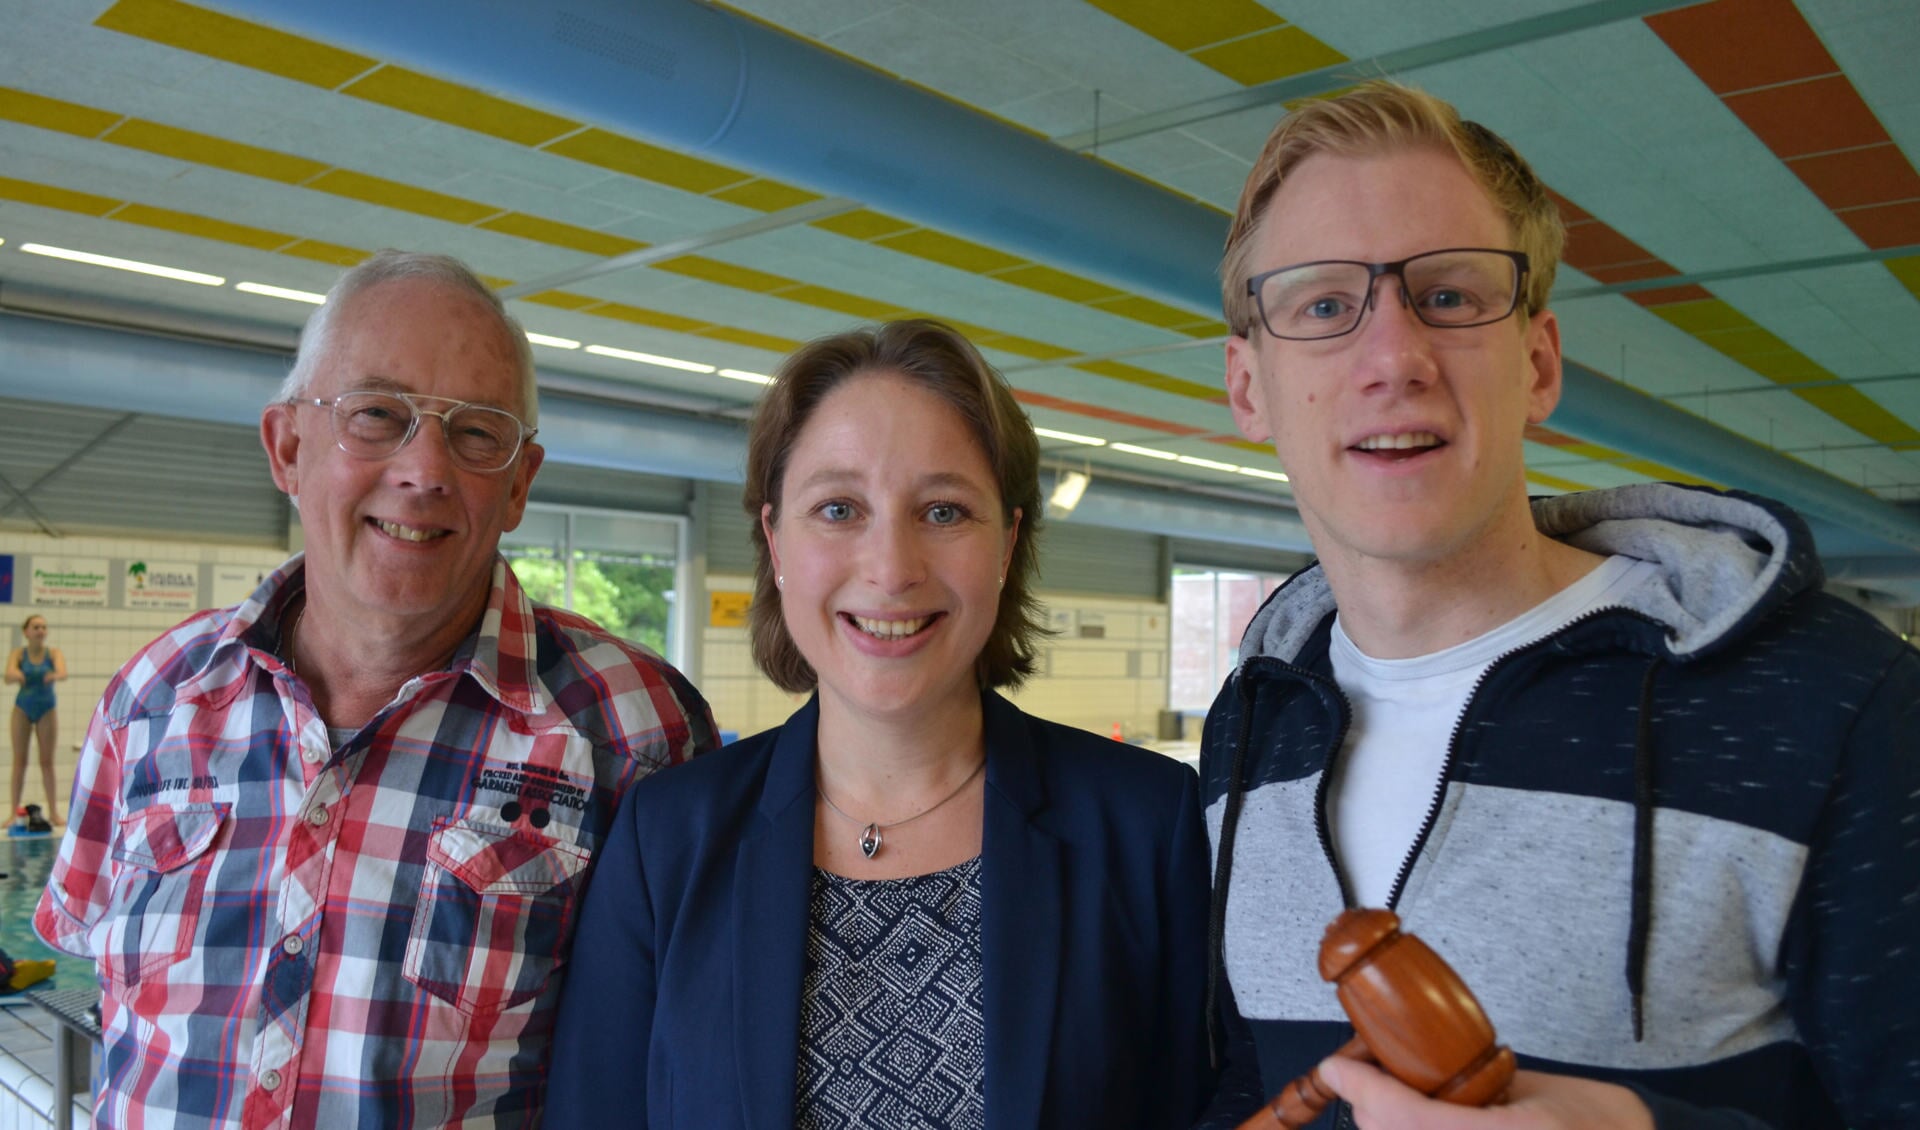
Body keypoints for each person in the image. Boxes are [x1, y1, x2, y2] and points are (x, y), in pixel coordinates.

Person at [1200, 81, 1918, 1129]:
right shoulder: (1254, 719)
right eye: (1321, 305)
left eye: (1449, 295)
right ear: (1248, 389)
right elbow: (1250, 1077)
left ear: (1537, 364)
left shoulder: (1837, 701)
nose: (1393, 357)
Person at [35, 250, 716, 1129]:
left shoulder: (632, 728)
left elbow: (672, 1068)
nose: (424, 469)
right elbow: (110, 990)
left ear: (518, 483)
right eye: (377, 414)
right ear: (287, 447)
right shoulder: (155, 696)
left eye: (475, 433)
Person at [547, 320, 1212, 1128]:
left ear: (1008, 541)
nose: (892, 568)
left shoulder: (1147, 827)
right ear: (775, 541)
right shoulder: (669, 842)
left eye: (943, 511)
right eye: (838, 508)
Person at [7, 613, 66, 827]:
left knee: (47, 762)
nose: (41, 630)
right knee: (19, 762)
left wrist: (54, 675)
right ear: (26, 632)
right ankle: (14, 813)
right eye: (36, 627)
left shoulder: (53, 653)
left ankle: (53, 812)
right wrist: (16, 674)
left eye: (43, 627)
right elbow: (8, 674)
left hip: (46, 709)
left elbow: (62, 672)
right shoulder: (18, 654)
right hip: (22, 708)